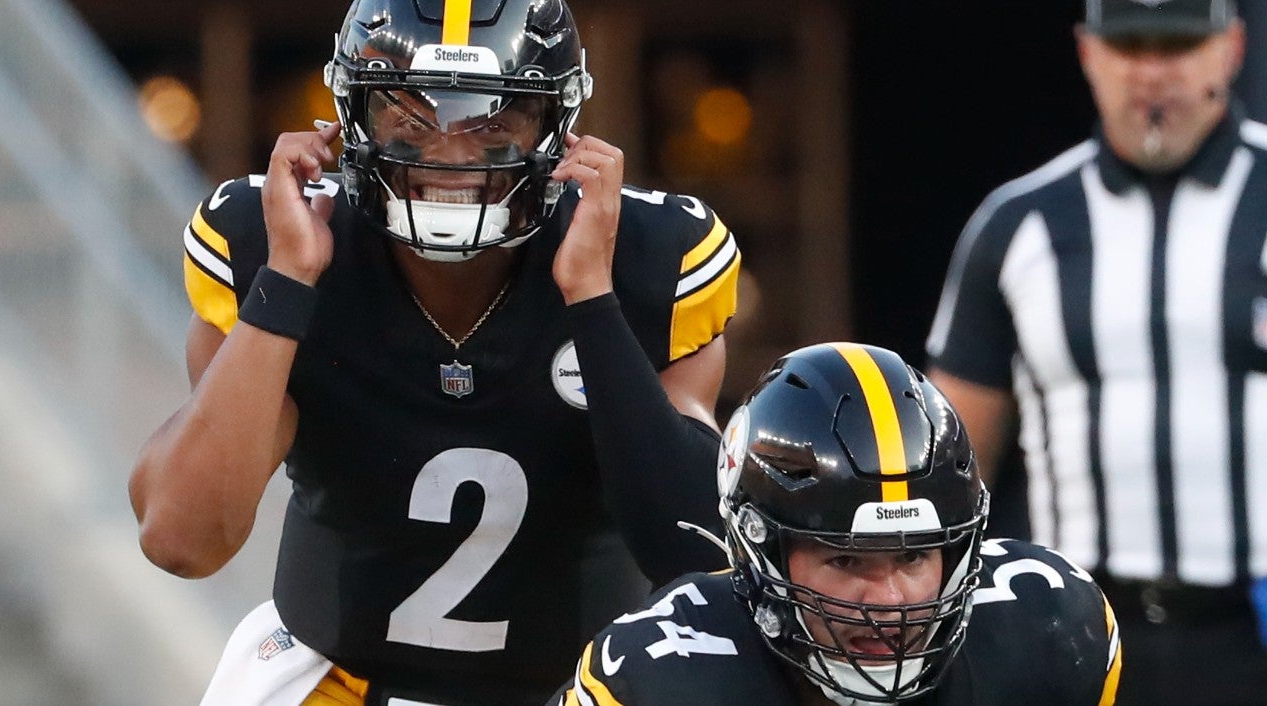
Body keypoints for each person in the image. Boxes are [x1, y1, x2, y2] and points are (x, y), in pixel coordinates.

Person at [127, 0, 741, 703]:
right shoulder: (272, 241)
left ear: (559, 126)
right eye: (412, 118)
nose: (451, 153)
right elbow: (182, 539)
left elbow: (697, 554)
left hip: (587, 688)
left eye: (494, 121)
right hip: (333, 679)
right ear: (352, 114)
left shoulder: (649, 257)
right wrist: (286, 285)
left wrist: (593, 300)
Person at [925, 0, 1267, 703]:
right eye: (1128, 46)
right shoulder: (1018, 224)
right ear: (1087, 54)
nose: (1150, 72)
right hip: (1080, 624)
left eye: (1176, 46)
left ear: (1231, 49)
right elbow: (951, 462)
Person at [550, 343, 1122, 706]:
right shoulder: (665, 677)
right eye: (847, 559)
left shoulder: (1046, 629)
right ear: (760, 550)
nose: (890, 599)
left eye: (914, 556)